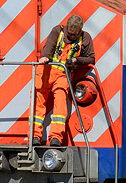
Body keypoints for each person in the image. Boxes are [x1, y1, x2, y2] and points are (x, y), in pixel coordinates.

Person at [32, 14, 95, 146]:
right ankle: (35, 136)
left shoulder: (85, 38)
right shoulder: (57, 31)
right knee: (38, 105)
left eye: (74, 36)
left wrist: (76, 60)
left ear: (80, 31)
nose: (71, 37)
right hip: (45, 72)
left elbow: (91, 58)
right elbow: (49, 46)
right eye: (70, 35)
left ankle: (56, 138)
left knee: (60, 105)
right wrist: (44, 57)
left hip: (63, 75)